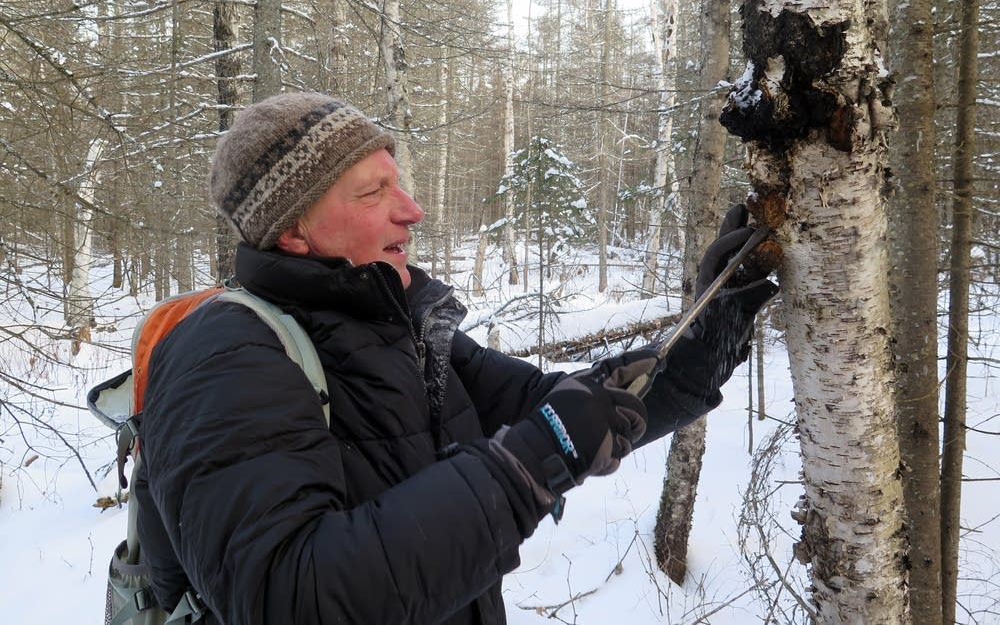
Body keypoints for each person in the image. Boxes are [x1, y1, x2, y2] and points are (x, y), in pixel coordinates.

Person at [136, 92, 777, 625]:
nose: (411, 211)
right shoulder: (222, 358)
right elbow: (288, 597)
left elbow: (572, 410)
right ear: (292, 229)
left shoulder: (401, 329)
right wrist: (524, 467)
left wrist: (713, 327)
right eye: (372, 193)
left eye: (401, 184)